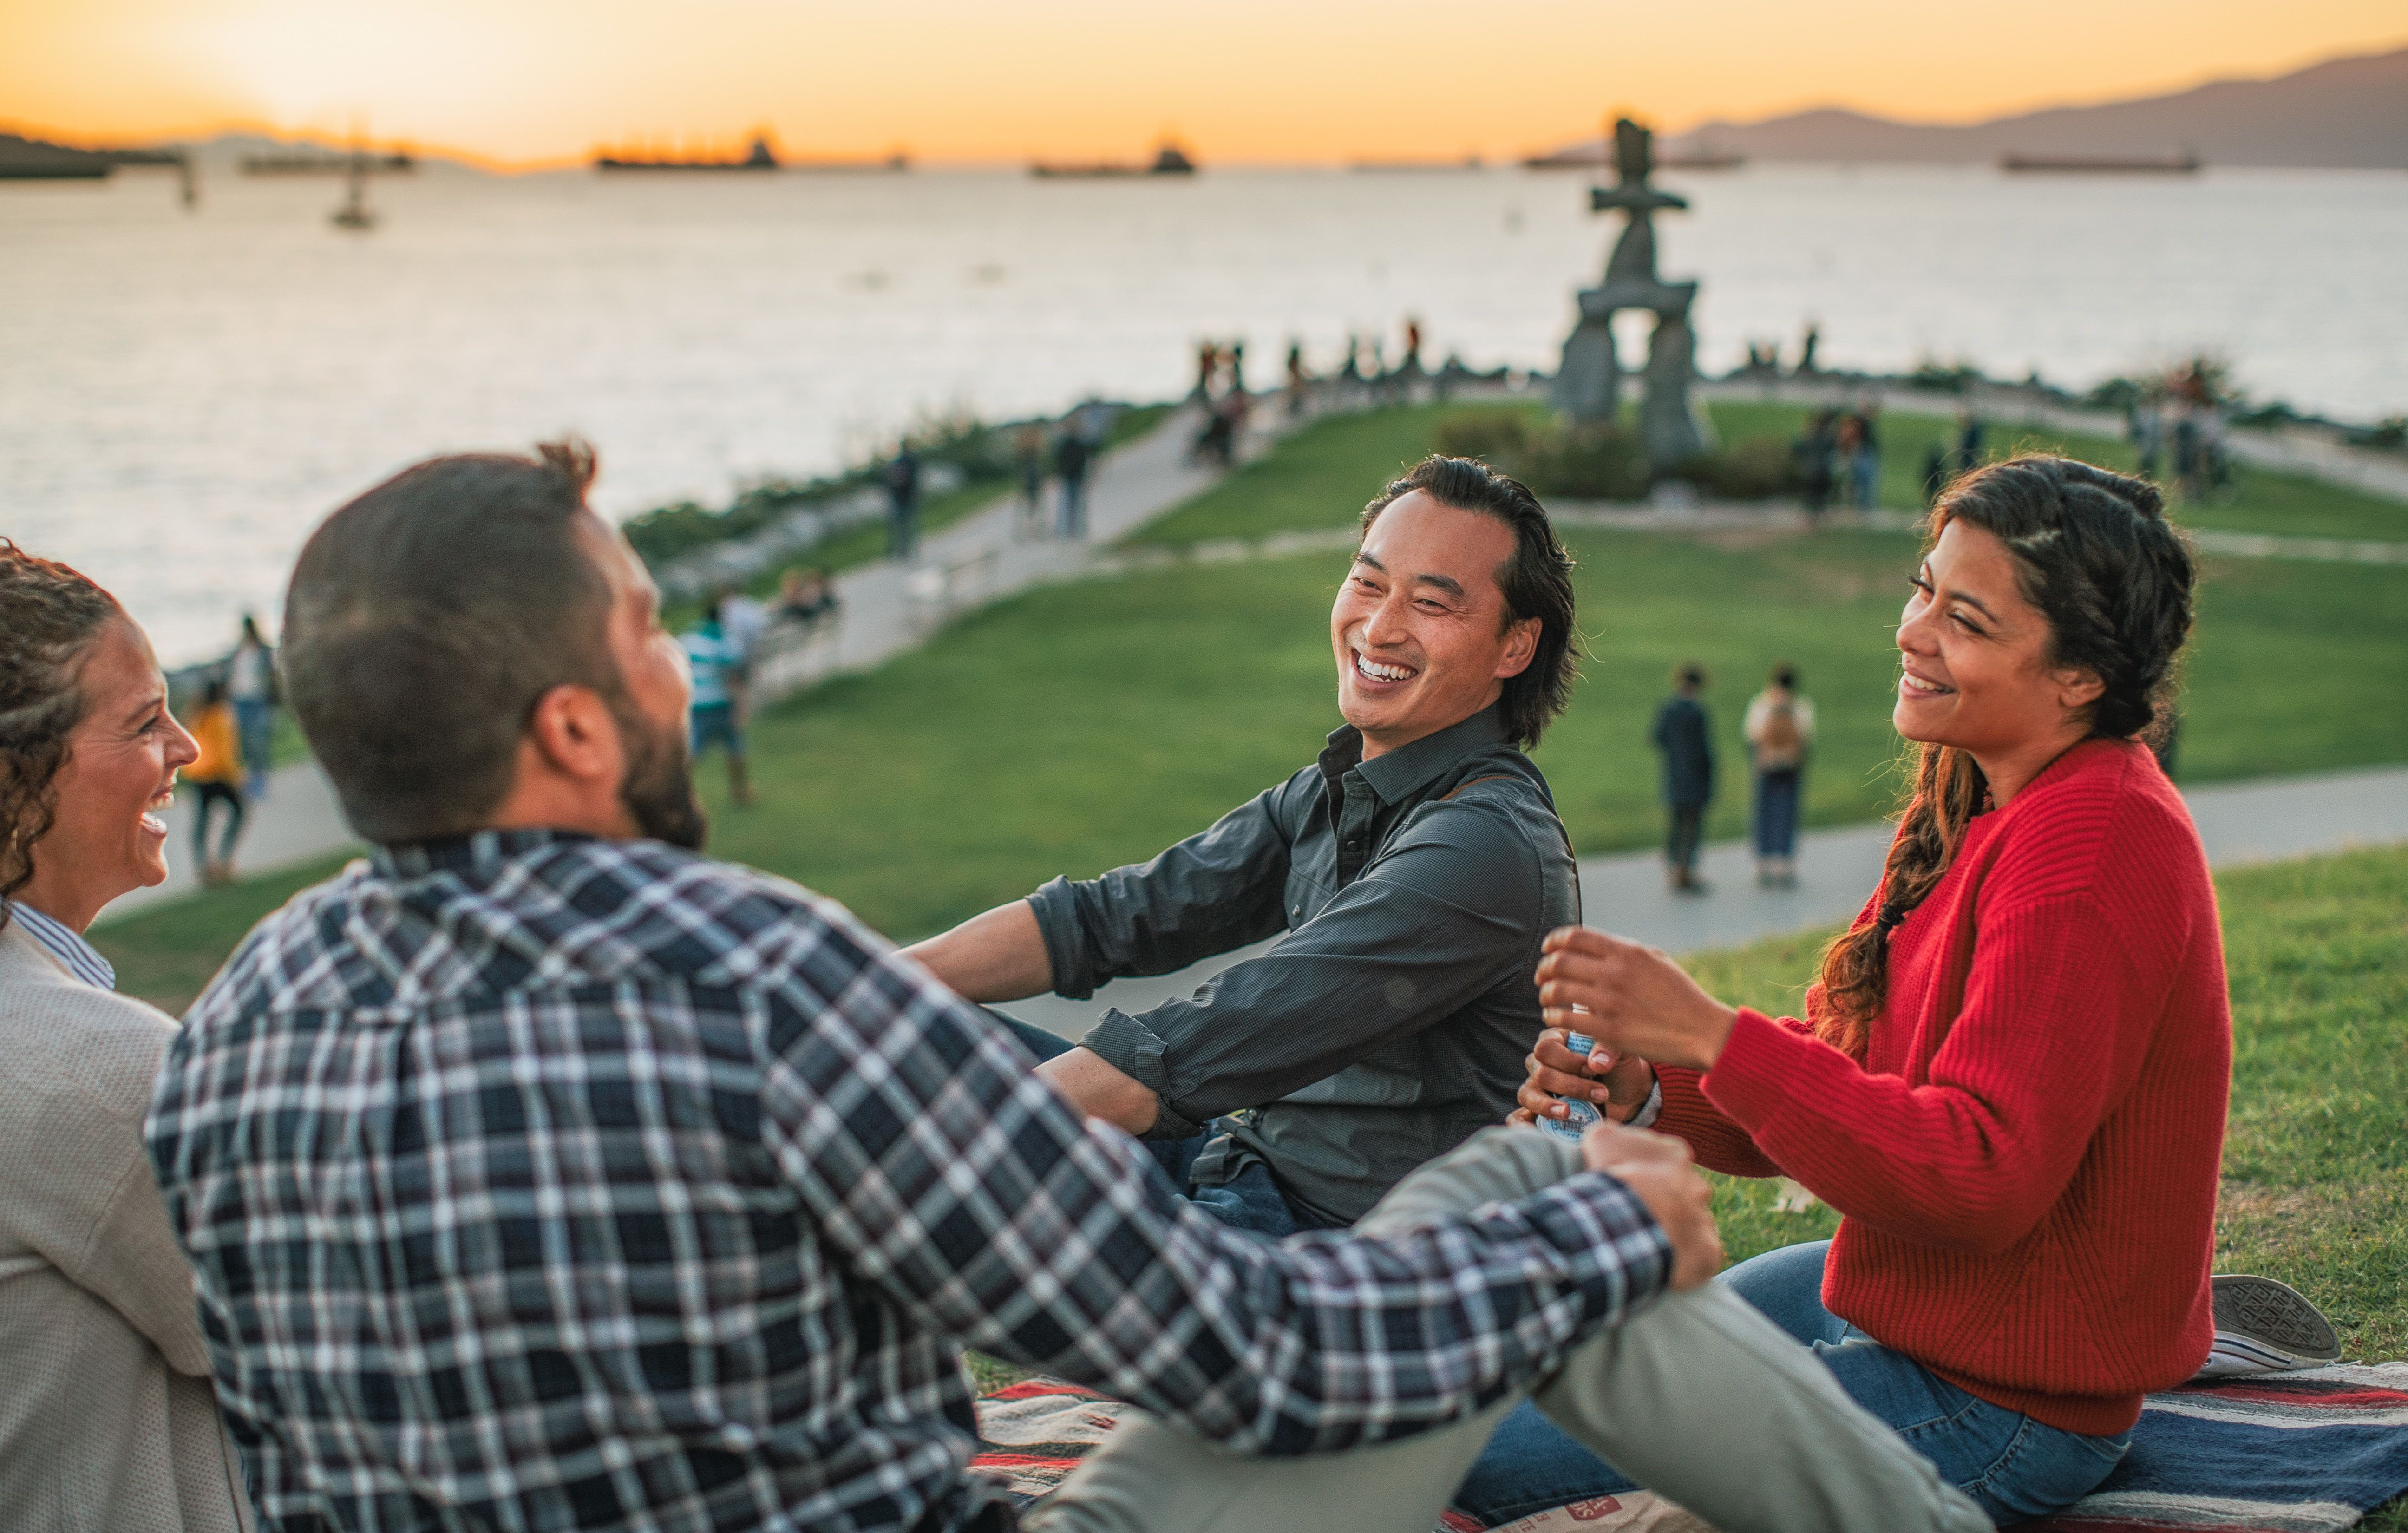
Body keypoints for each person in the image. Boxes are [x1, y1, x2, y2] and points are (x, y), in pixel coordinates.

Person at [143, 441, 1985, 1533]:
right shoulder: (758, 991)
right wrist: (1607, 1238)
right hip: (1252, 1257)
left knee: (1507, 1192)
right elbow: (1264, 1360)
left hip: (1268, 1177)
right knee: (1545, 1225)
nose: (684, 668)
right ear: (568, 723)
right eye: (649, 635)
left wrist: (898, 1032)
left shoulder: (235, 1026)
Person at [1496, 456, 2325, 1526]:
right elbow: (1847, 1077)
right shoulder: (1970, 797)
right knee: (1492, 1417)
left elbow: (1980, 1173)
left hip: (2001, 1406)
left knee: (1601, 1471)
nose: (1909, 628)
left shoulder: (2096, 843)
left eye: (1964, 618)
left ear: (2078, 675)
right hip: (1888, 1303)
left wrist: (1709, 1027)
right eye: (1920, 585)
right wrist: (1654, 1083)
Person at [909, 455, 1585, 1238]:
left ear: (1514, 646)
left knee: (938, 1180)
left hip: (1330, 1258)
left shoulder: (1483, 849)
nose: (1379, 627)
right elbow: (1112, 918)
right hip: (1233, 1168)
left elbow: (1192, 1048)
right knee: (909, 1037)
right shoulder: (1342, 788)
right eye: (1368, 584)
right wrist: (853, 991)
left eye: (1430, 602)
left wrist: (958, 1151)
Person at [0, 541, 250, 1533]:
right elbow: (334, 1329)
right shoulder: (84, 1069)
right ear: (19, 776)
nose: (187, 748)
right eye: (146, 722)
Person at [1744, 664, 1814, 887]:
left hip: (1767, 766)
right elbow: (1807, 739)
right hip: (1791, 767)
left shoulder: (1761, 705)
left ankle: (1763, 859)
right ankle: (1784, 860)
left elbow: (1751, 736)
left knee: (1764, 811)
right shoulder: (1801, 707)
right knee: (1788, 811)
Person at [681, 594, 753, 807]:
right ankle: (740, 790)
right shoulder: (726, 642)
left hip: (695, 704)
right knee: (736, 748)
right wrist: (742, 706)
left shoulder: (688, 639)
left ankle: (680, 796)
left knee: (693, 754)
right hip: (720, 704)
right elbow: (736, 677)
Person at [1650, 662, 1714, 894]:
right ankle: (1685, 871)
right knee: (1692, 826)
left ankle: (1673, 868)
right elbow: (1704, 750)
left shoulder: (1669, 709)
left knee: (1676, 823)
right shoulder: (1697, 712)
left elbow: (1657, 738)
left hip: (1674, 775)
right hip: (1695, 778)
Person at [182, 676, 247, 885]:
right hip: (219, 774)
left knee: (202, 824)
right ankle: (224, 860)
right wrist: (236, 776)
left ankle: (204, 868)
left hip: (199, 776)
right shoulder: (221, 715)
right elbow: (225, 751)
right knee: (238, 812)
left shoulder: (196, 715)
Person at [226, 614, 274, 799]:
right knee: (243, 743)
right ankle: (250, 781)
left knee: (259, 742)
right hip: (240, 699)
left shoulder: (262, 650)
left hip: (258, 699)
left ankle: (261, 782)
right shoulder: (239, 651)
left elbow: (270, 675)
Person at [884, 440, 922, 561]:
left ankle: (903, 550)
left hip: (899, 497)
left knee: (900, 525)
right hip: (906, 497)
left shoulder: (898, 462)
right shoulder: (910, 461)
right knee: (908, 524)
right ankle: (908, 549)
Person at [1054, 421, 1092, 538]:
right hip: (1073, 477)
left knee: (1069, 506)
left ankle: (1070, 531)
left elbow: (1061, 462)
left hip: (1071, 477)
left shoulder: (1067, 445)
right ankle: (1075, 531)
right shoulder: (1077, 445)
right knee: (1075, 506)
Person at [1015, 424, 1049, 537]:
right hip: (1032, 484)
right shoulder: (1031, 458)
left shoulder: (1026, 457)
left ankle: (1031, 530)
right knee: (1034, 508)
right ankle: (1033, 530)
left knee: (1031, 509)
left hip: (1030, 484)